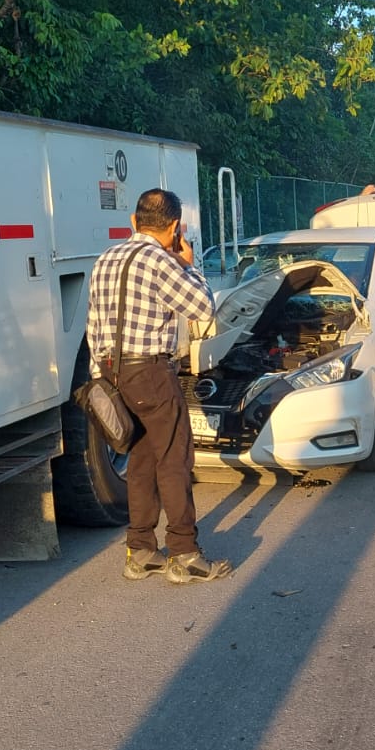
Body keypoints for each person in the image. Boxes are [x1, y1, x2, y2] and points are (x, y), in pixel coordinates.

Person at [87, 188, 234, 584]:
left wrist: (100, 379)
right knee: (174, 458)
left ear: (134, 222)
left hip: (112, 372)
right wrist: (187, 265)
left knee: (142, 461)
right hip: (151, 372)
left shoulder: (106, 258)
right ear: (175, 228)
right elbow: (203, 308)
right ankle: (184, 552)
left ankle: (141, 550)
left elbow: (93, 324)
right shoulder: (161, 261)